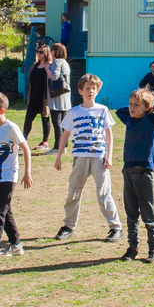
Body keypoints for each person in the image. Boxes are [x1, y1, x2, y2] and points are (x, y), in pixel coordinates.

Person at [54, 73, 123, 243]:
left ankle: (116, 227)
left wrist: (109, 156)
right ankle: (68, 226)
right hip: (80, 157)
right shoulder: (74, 112)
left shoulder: (103, 110)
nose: (90, 91)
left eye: (93, 88)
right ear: (80, 91)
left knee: (104, 193)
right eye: (87, 88)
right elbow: (65, 134)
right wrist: (58, 156)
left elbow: (108, 134)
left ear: (97, 91)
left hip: (99, 156)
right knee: (74, 191)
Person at [115, 88, 154, 263]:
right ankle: (132, 247)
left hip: (144, 173)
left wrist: (152, 108)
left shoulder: (152, 120)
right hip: (128, 171)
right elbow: (119, 111)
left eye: (136, 105)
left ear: (147, 107)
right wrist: (135, 106)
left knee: (148, 213)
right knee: (131, 213)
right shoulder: (129, 120)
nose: (131, 108)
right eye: (130, 104)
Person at [0, 92, 33, 262]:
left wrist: (27, 172)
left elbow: (26, 149)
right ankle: (16, 244)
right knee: (5, 210)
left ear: (2, 110)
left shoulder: (11, 128)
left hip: (8, 176)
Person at [23, 45, 52, 149]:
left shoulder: (49, 66)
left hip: (44, 97)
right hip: (33, 96)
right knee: (28, 118)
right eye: (38, 52)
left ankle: (45, 141)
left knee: (45, 118)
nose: (38, 54)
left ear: (46, 53)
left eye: (41, 52)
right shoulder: (35, 65)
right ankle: (24, 139)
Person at [45, 42, 72, 150]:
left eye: (52, 50)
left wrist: (47, 68)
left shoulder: (56, 62)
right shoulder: (65, 62)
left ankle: (58, 147)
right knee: (64, 123)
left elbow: (55, 77)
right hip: (65, 96)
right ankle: (64, 145)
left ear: (55, 52)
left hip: (57, 97)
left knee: (57, 123)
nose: (51, 52)